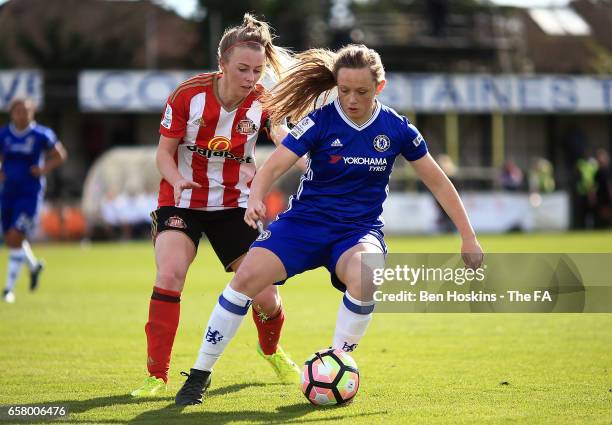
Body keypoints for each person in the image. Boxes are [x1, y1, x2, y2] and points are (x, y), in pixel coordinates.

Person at [177, 44, 484, 404]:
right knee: (244, 280)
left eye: (362, 92)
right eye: (344, 90)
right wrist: (257, 195)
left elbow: (438, 181)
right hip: (304, 224)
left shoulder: (397, 129)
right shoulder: (319, 122)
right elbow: (273, 166)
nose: (351, 99)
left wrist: (468, 237)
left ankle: (336, 359)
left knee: (367, 273)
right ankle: (199, 375)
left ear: (379, 88)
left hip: (357, 232)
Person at [130, 14, 302, 403]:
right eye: (242, 68)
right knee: (170, 273)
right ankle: (156, 375)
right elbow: (163, 154)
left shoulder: (263, 100)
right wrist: (176, 180)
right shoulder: (187, 95)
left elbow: (282, 138)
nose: (251, 77)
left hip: (235, 205)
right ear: (222, 63)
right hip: (181, 199)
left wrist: (311, 159)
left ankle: (271, 350)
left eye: (257, 70)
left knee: (266, 298)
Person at [1, 98, 67, 303]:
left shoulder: (41, 134)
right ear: (12, 114)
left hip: (29, 193)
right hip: (7, 192)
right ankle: (33, 266)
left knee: (14, 235)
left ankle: (8, 290)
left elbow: (60, 155)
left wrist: (43, 169)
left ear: (32, 113)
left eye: (26, 111)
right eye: (18, 112)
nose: (22, 115)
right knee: (12, 238)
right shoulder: (4, 134)